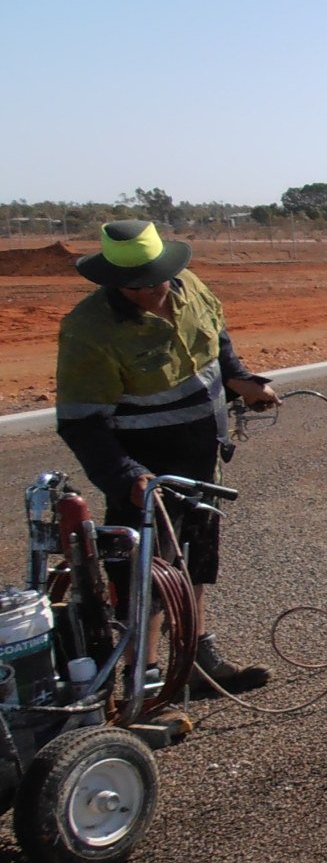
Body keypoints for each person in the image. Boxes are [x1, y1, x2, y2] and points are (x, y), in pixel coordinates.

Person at [54, 218, 279, 696]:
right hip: (146, 474)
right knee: (147, 578)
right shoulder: (89, 330)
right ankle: (147, 681)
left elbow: (216, 341)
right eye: (128, 284)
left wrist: (242, 381)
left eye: (150, 279)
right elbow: (80, 422)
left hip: (202, 461)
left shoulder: (192, 288)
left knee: (194, 563)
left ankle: (197, 660)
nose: (142, 292)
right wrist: (127, 477)